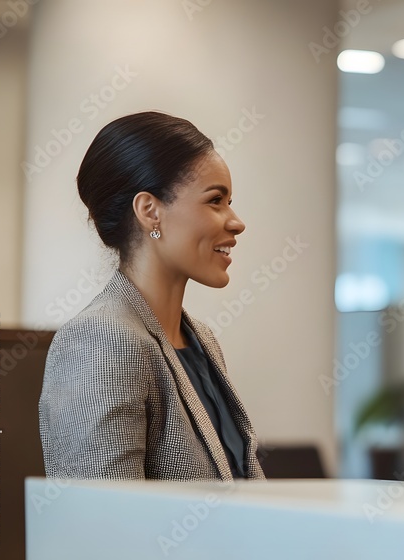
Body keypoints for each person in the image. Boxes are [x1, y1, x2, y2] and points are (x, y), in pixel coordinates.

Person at [39, 112, 265, 481]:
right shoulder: (101, 341)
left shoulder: (201, 340)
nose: (236, 221)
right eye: (215, 201)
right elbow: (101, 525)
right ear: (150, 211)